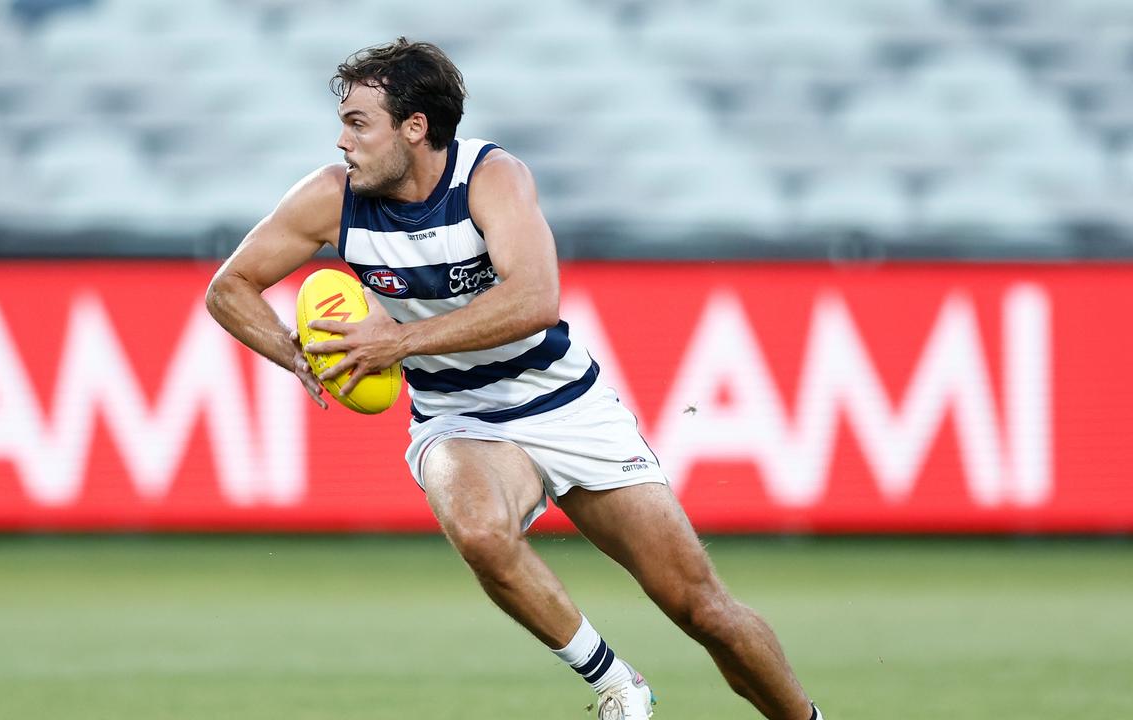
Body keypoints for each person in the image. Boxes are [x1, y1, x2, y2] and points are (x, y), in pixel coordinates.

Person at [205, 38, 823, 720]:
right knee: (478, 532)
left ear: (415, 127)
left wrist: (399, 342)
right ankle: (619, 685)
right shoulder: (331, 198)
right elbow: (229, 288)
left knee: (702, 608)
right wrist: (297, 354)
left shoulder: (492, 179)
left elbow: (534, 299)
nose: (342, 141)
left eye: (358, 123)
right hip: (455, 416)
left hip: (563, 404)